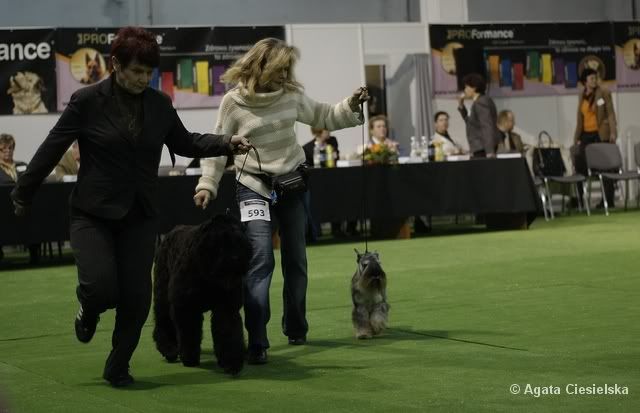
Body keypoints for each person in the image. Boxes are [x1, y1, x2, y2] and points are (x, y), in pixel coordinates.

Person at [10, 27, 251, 387]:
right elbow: (52, 146)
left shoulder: (159, 104)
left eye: (148, 72)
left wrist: (227, 142)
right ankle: (88, 306)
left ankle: (118, 365)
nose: (142, 78)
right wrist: (23, 192)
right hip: (92, 213)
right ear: (115, 65)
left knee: (138, 299)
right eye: (136, 71)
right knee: (101, 288)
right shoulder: (86, 101)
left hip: (140, 215)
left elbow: (185, 142)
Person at [193, 38, 368, 365]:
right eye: (279, 69)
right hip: (253, 186)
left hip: (291, 184)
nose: (285, 75)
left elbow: (324, 115)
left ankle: (297, 327)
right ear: (261, 66)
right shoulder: (233, 103)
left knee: (296, 260)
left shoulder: (291, 95)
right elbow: (219, 147)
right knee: (260, 261)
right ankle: (258, 340)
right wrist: (208, 184)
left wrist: (352, 103)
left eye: (288, 69)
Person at [572, 67, 617, 208]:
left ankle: (608, 200)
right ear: (585, 82)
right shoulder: (581, 95)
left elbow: (610, 113)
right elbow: (580, 119)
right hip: (586, 135)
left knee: (605, 167)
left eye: (595, 78)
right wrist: (576, 137)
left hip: (600, 134)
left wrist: (613, 132)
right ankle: (579, 200)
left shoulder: (604, 92)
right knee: (579, 165)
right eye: (591, 78)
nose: (594, 80)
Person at [457, 73, 501, 158]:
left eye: (466, 87)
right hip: (480, 148)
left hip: (483, 148)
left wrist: (489, 151)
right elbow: (470, 123)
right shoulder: (479, 101)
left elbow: (487, 126)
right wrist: (461, 106)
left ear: (474, 88)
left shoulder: (481, 102)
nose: (464, 90)